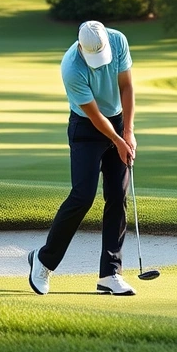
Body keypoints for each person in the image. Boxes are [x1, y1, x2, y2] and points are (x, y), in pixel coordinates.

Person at [28, 20, 138, 296]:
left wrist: (129, 132)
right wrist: (118, 140)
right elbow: (94, 115)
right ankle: (43, 260)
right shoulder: (71, 67)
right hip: (87, 127)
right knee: (82, 195)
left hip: (117, 121)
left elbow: (126, 86)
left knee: (117, 195)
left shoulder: (118, 41)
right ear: (80, 46)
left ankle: (110, 274)